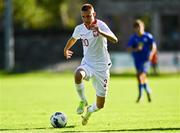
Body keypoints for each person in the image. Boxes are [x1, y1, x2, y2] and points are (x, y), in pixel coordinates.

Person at [63, 3, 118, 125]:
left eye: (88, 16)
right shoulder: (79, 28)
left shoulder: (101, 25)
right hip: (88, 63)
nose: (86, 19)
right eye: (83, 17)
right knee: (78, 75)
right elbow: (73, 39)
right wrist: (66, 49)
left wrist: (100, 32)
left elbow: (115, 39)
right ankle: (83, 100)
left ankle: (89, 111)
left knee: (100, 105)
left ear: (94, 14)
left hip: (102, 68)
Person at [127, 19, 157, 103]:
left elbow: (154, 47)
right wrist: (136, 49)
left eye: (139, 27)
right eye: (136, 27)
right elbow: (128, 48)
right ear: (134, 29)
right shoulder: (133, 38)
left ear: (143, 27)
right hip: (137, 60)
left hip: (146, 60)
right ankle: (147, 90)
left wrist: (151, 54)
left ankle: (140, 95)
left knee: (140, 75)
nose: (138, 29)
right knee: (140, 77)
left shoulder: (148, 36)